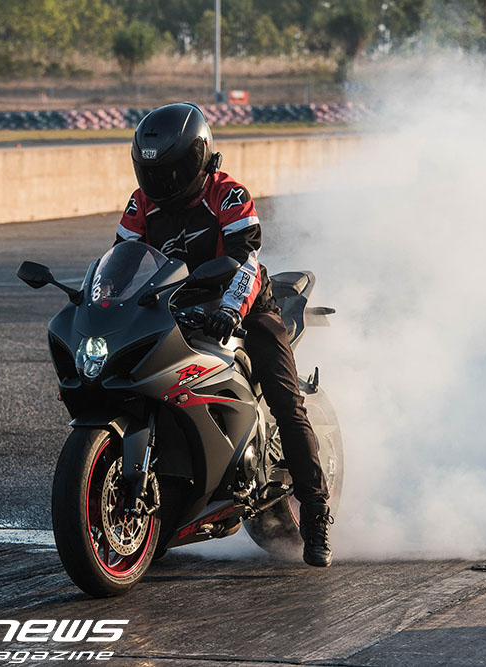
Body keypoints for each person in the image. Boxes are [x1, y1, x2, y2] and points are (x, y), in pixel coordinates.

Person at [115, 102, 334, 567]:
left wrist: (231, 311)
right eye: (155, 173)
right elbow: (122, 265)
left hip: (245, 306)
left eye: (174, 172)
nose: (164, 183)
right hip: (176, 309)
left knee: (285, 401)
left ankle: (316, 512)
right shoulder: (140, 203)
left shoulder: (228, 194)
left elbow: (246, 262)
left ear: (199, 159)